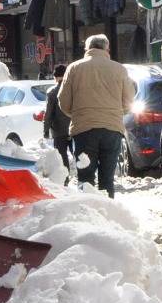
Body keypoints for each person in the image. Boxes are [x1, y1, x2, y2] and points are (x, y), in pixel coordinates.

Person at [58, 33, 136, 198]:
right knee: (107, 179)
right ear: (108, 49)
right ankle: (107, 216)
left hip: (83, 130)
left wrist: (79, 114)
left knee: (85, 179)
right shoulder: (120, 69)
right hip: (112, 130)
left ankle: (88, 217)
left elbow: (63, 102)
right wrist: (114, 113)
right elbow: (129, 102)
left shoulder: (74, 68)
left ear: (87, 49)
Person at [43, 62, 71, 170]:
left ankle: (65, 178)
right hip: (75, 128)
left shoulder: (52, 92)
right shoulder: (73, 89)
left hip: (59, 130)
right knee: (78, 154)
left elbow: (49, 113)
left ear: (55, 77)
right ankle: (83, 179)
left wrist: (45, 130)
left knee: (62, 155)